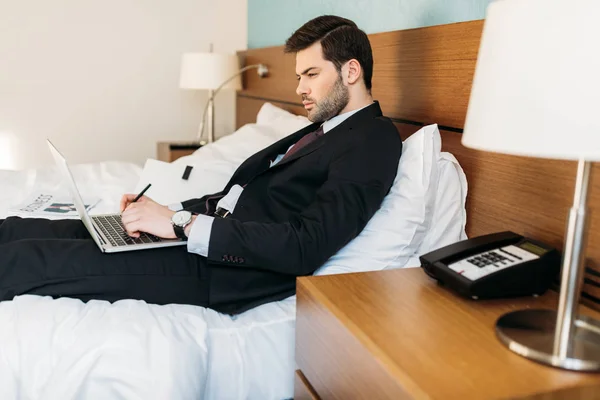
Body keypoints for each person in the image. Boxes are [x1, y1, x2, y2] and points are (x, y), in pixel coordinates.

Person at [0, 15, 402, 314]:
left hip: (226, 269)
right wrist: (162, 214)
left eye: (311, 74)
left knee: (26, 259)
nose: (299, 89)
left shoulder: (374, 139)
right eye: (299, 76)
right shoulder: (320, 129)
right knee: (17, 229)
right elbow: (233, 197)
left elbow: (306, 245)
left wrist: (177, 224)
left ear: (352, 71)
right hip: (197, 240)